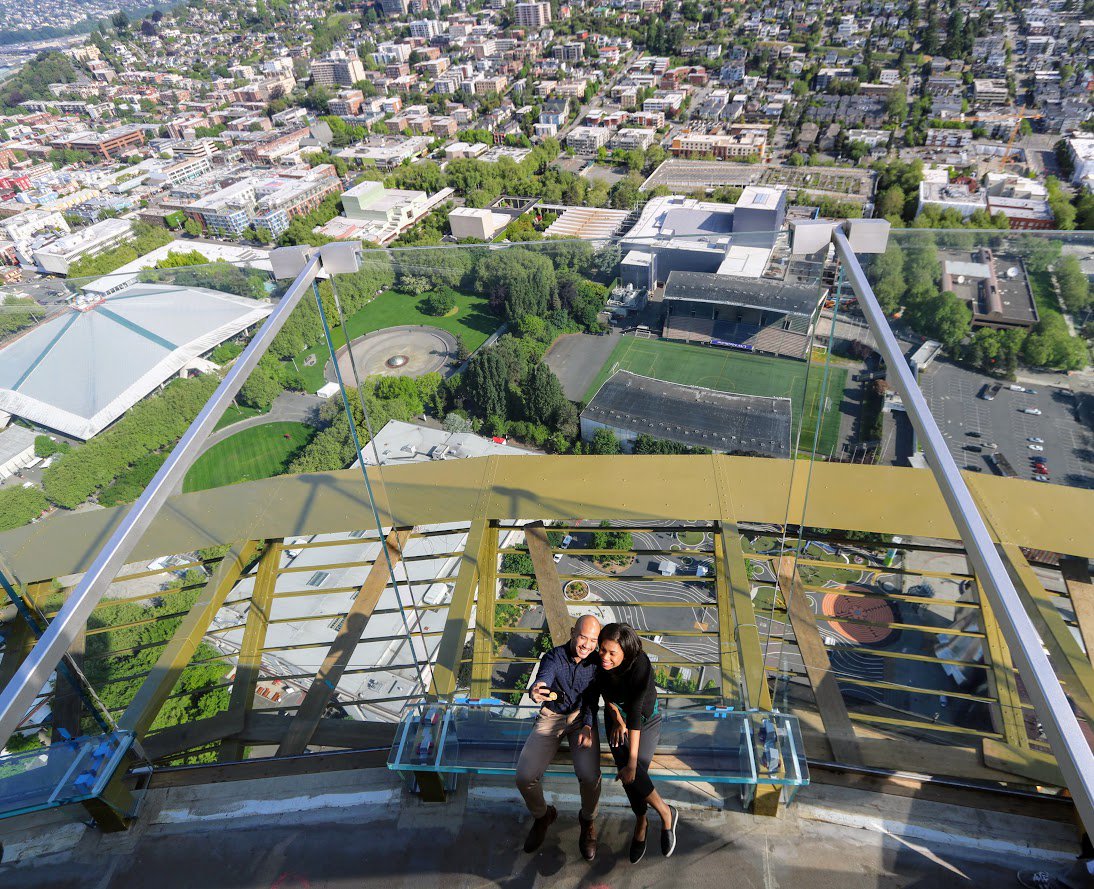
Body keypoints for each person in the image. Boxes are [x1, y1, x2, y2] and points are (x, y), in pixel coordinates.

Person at [515, 614, 602, 860]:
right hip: (551, 717)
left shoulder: (596, 663)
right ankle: (543, 816)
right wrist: (537, 690)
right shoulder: (554, 656)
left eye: (593, 640)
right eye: (583, 637)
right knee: (524, 776)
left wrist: (586, 725)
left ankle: (587, 822)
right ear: (573, 632)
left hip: (580, 718)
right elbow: (544, 678)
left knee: (590, 775)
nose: (586, 645)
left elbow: (592, 701)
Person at [595, 622, 679, 862]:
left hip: (644, 719)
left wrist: (631, 762)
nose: (605, 657)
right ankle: (654, 816)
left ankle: (655, 816)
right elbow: (604, 696)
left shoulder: (640, 665)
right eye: (603, 649)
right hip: (615, 719)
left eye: (612, 653)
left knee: (634, 770)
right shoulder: (598, 660)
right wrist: (616, 719)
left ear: (625, 653)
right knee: (629, 773)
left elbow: (635, 713)